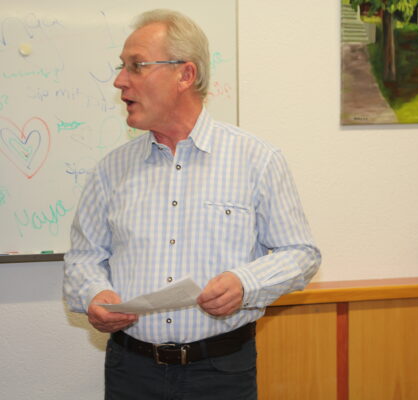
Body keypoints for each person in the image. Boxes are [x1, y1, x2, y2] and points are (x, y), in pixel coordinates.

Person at [63, 8, 321, 400]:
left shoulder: (257, 159)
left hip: (222, 373)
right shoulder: (110, 170)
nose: (119, 81)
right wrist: (95, 295)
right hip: (130, 371)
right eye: (122, 67)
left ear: (185, 75)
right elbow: (84, 257)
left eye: (136, 66)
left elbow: (301, 254)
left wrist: (246, 283)